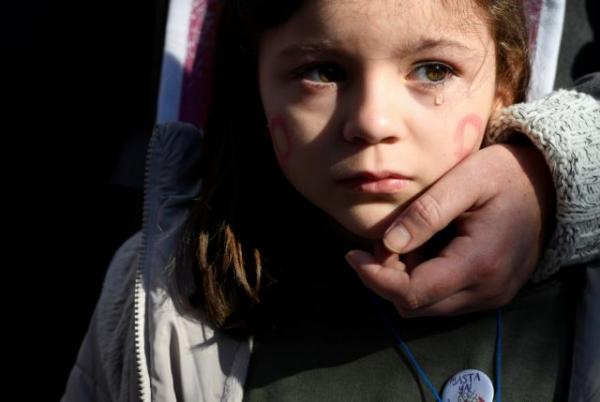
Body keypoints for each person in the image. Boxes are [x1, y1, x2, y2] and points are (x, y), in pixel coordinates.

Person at [62, 0, 600, 401]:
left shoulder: (583, 293)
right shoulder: (159, 293)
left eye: (433, 70)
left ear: (505, 82)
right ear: (255, 86)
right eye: (323, 72)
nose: (372, 122)